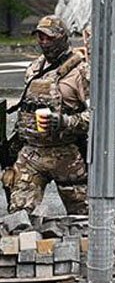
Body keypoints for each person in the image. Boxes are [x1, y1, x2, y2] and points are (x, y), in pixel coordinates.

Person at [6, 16, 90, 215]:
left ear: (62, 38)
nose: (44, 42)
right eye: (40, 38)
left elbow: (97, 118)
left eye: (49, 38)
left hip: (66, 155)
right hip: (32, 154)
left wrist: (64, 121)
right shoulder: (35, 68)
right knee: (18, 217)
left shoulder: (80, 72)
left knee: (83, 217)